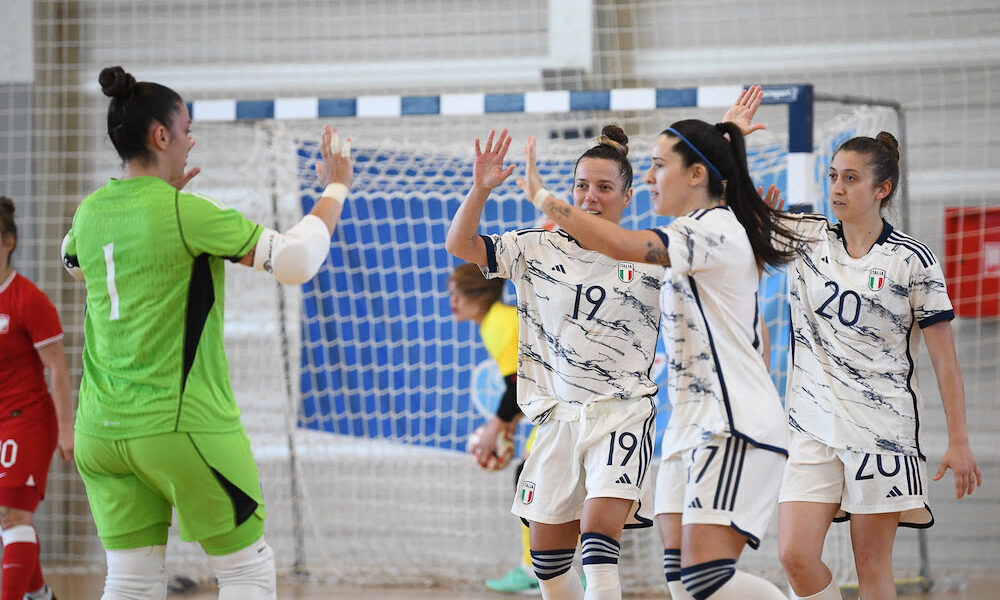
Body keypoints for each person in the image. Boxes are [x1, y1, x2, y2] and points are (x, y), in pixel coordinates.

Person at [60, 66, 352, 600]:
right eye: (187, 128)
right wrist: (335, 187)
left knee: (128, 581)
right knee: (248, 573)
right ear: (161, 135)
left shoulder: (89, 211)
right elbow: (296, 261)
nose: (193, 140)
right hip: (177, 426)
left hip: (100, 432)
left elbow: (72, 263)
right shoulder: (184, 210)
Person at [518, 86, 805, 600]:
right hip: (689, 425)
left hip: (731, 423)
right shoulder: (696, 230)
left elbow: (620, 242)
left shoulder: (709, 230)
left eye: (657, 166)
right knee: (682, 585)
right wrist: (726, 137)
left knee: (704, 579)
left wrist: (545, 198)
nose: (647, 176)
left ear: (695, 176)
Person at [446, 126, 663, 600]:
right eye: (582, 185)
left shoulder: (650, 255)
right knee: (547, 564)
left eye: (605, 187)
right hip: (557, 420)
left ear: (628, 195)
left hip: (622, 414)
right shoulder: (535, 247)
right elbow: (460, 244)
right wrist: (481, 188)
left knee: (599, 546)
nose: (590, 197)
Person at [770, 133, 982, 600]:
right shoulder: (806, 237)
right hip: (812, 426)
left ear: (881, 189)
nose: (837, 188)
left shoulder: (912, 260)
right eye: (832, 177)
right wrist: (734, 139)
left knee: (873, 569)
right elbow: (728, 211)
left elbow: (945, 362)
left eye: (851, 178)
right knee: (794, 555)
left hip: (880, 431)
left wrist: (959, 441)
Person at [448, 263, 540, 595]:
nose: (452, 302)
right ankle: (536, 568)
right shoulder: (495, 322)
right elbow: (525, 382)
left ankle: (548, 571)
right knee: (530, 483)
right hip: (551, 410)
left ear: (476, 294)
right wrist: (508, 426)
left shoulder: (500, 323)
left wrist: (494, 429)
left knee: (534, 483)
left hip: (566, 411)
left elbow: (518, 386)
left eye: (456, 294)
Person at [0, 196, 73, 600]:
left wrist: (66, 429)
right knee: (9, 519)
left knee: (14, 514)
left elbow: (58, 369)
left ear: (8, 242)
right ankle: (42, 595)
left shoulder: (28, 299)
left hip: (27, 419)